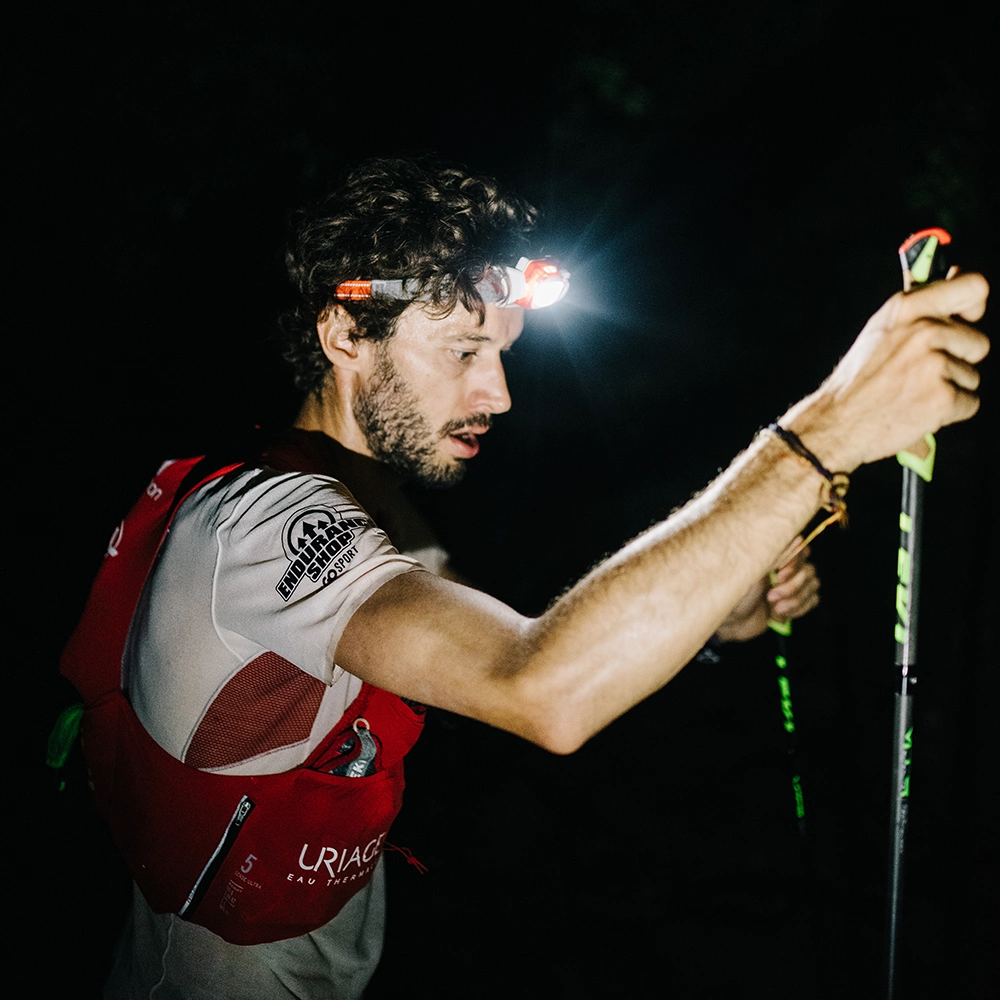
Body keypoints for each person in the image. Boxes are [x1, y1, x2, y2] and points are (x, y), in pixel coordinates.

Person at [62, 157, 989, 999]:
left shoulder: (377, 514)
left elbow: (515, 649)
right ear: (346, 332)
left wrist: (716, 623)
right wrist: (824, 432)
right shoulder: (264, 526)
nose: (498, 393)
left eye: (503, 353)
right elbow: (542, 687)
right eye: (464, 351)